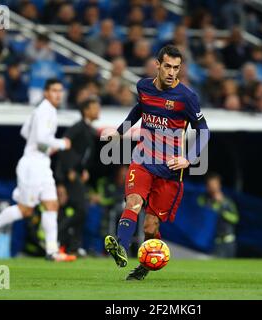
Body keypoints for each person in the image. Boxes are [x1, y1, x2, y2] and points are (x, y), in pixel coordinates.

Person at [103, 45, 210, 280]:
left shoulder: (187, 97)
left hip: (170, 169)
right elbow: (139, 110)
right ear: (158, 65)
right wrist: (121, 131)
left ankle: (144, 268)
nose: (172, 72)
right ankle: (120, 247)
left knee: (151, 227)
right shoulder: (143, 86)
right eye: (168, 67)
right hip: (142, 159)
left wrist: (189, 159)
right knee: (133, 202)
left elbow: (204, 130)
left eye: (177, 68)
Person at [0, 79, 76, 262]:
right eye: (54, 90)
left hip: (42, 164)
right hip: (32, 166)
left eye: (60, 91)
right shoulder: (45, 110)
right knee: (25, 210)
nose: (58, 94)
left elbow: (24, 132)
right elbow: (40, 137)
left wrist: (44, 147)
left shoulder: (42, 110)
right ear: (46, 93)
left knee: (52, 204)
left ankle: (52, 251)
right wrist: (62, 144)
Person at [55, 96, 101, 255]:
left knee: (79, 210)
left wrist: (84, 171)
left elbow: (84, 155)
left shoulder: (90, 130)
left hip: (77, 176)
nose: (98, 110)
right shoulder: (78, 127)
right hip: (70, 176)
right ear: (86, 110)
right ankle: (58, 238)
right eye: (95, 107)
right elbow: (65, 147)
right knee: (82, 210)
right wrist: (69, 171)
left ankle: (72, 246)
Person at [198, 173, 239, 258]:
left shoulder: (227, 202)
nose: (213, 187)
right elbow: (200, 207)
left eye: (214, 184)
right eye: (210, 185)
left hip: (228, 241)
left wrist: (221, 206)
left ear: (219, 185)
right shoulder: (204, 200)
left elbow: (235, 219)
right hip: (213, 241)